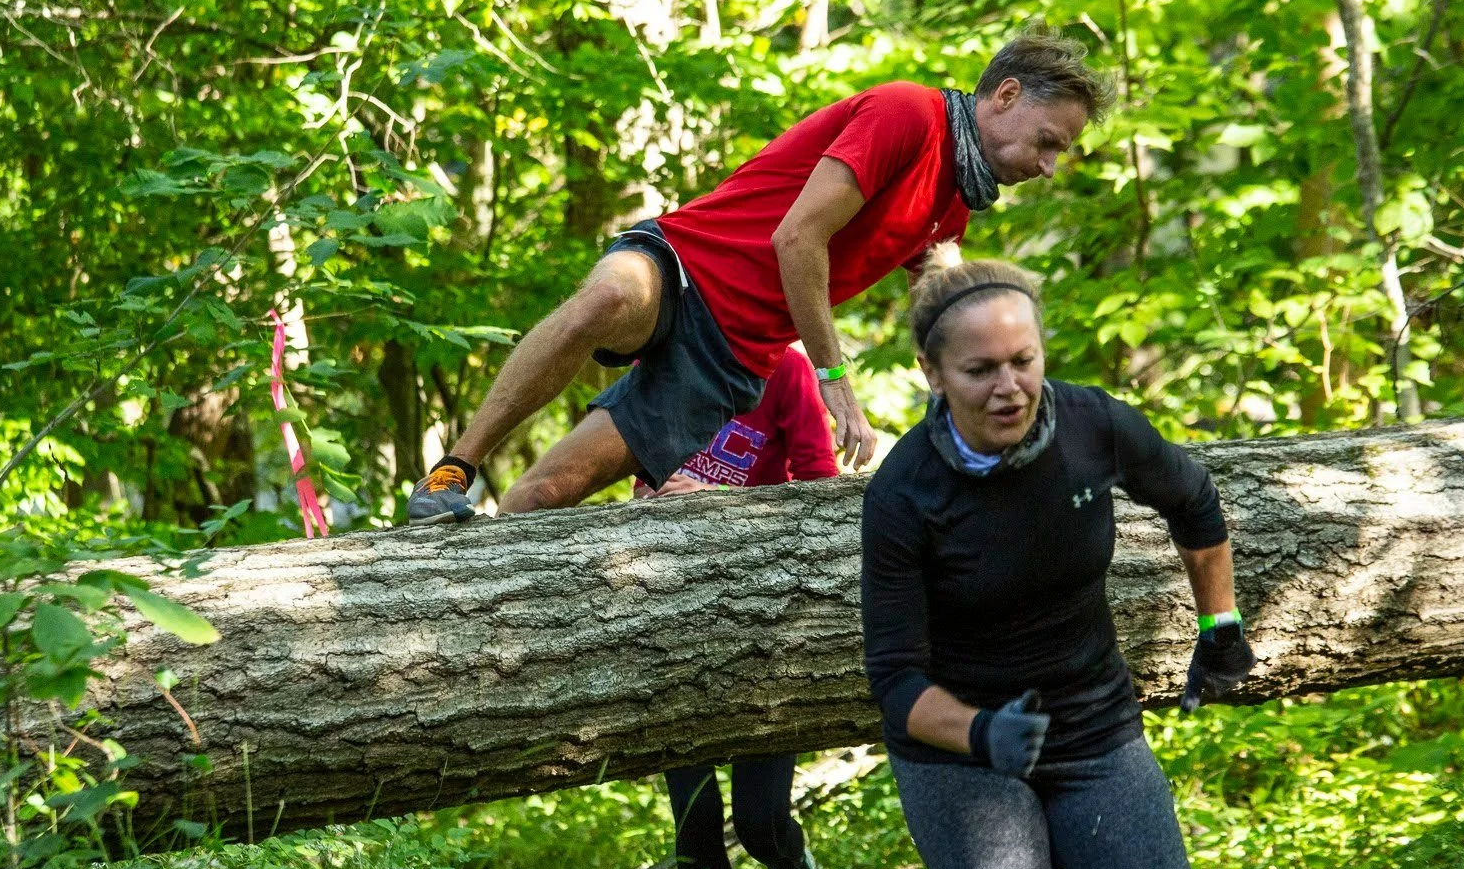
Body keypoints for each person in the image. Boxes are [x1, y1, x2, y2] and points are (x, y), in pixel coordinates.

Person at [404, 28, 1112, 525]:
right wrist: (837, 383)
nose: (1048, 166)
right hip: (683, 264)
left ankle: (446, 570)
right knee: (612, 294)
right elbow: (797, 239)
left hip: (730, 359)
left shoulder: (951, 205)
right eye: (1050, 141)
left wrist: (1000, 427)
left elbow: (951, 321)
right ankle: (452, 471)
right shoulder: (909, 113)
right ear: (1006, 94)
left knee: (545, 494)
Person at [859, 257, 1257, 869]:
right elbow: (896, 681)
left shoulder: (1091, 426)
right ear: (932, 373)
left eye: (1023, 360)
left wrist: (1221, 628)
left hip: (1092, 731)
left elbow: (1194, 500)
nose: (1008, 386)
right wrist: (981, 732)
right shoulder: (905, 493)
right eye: (980, 369)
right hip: (961, 760)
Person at [631, 345, 841, 869]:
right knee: (693, 826)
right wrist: (650, 500)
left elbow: (821, 496)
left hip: (762, 626)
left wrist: (720, 504)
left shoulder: (786, 367)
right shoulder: (654, 366)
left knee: (757, 819)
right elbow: (635, 480)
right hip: (674, 621)